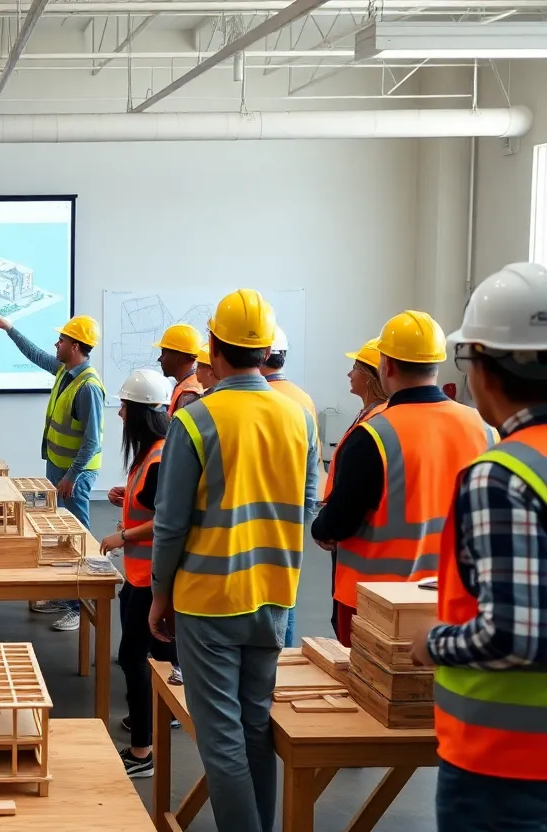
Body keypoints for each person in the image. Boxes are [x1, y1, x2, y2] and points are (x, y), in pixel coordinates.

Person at [150, 289, 317, 832]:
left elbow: (171, 524)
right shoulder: (300, 417)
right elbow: (309, 500)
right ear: (266, 349)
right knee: (254, 729)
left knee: (222, 739)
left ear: (213, 349)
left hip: (209, 600)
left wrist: (159, 594)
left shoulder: (196, 420)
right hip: (273, 597)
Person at [410, 263, 547, 832]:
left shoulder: (502, 475)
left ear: (483, 366)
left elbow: (515, 634)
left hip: (505, 764)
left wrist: (433, 643)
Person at [312, 310, 496, 647]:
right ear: (435, 366)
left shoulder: (373, 435)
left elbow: (338, 522)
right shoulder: (483, 428)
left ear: (387, 366)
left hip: (376, 604)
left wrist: (321, 529)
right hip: (454, 598)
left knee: (371, 692)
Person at [0, 311, 104, 633]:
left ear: (76, 346)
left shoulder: (88, 387)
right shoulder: (66, 371)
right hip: (58, 466)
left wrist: (70, 477)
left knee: (76, 537)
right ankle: (63, 596)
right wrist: (8, 328)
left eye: (62, 339)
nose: (57, 343)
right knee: (57, 532)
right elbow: (35, 354)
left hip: (74, 475)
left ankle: (79, 606)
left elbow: (92, 442)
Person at [98, 368, 176, 779]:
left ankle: (142, 751)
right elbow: (151, 503)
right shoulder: (154, 452)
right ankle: (153, 721)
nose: (120, 415)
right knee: (159, 655)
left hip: (149, 579)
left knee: (133, 657)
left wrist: (122, 536)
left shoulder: (161, 457)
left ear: (141, 413)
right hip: (142, 575)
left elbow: (168, 520)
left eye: (124, 407)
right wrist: (125, 497)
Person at [321, 338, 388, 640]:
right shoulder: (368, 416)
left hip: (361, 548)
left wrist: (328, 526)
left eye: (355, 368)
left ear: (372, 376)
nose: (350, 374)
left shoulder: (378, 423)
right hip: (347, 542)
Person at [259, 324, 320, 647]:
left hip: (252, 515)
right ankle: (283, 662)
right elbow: (312, 468)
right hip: (290, 516)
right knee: (286, 594)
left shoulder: (256, 399)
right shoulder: (302, 399)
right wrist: (304, 517)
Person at [154, 323, 204, 414]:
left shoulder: (189, 395)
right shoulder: (191, 386)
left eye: (163, 353)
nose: (160, 359)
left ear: (178, 358)